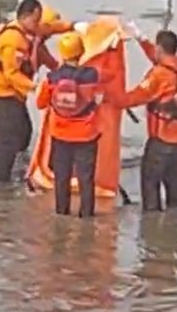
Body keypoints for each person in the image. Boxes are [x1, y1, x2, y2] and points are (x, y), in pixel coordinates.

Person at [0, 0, 83, 182]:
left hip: (15, 96)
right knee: (5, 140)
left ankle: (18, 165)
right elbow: (11, 74)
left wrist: (75, 26)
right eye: (36, 21)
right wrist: (36, 87)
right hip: (0, 96)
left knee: (24, 131)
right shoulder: (13, 41)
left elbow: (53, 29)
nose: (41, 28)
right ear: (26, 17)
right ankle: (0, 182)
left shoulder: (33, 34)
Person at [110, 26, 177, 211]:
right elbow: (159, 58)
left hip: (162, 140)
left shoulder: (158, 75)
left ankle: (151, 230)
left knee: (150, 182)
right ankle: (175, 227)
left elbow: (133, 98)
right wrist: (140, 38)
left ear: (160, 49)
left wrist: (106, 98)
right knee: (175, 185)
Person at [35, 32, 103, 217]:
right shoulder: (92, 76)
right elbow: (100, 98)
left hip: (60, 135)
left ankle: (61, 213)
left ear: (62, 53)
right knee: (85, 179)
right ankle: (87, 217)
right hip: (87, 135)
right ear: (81, 52)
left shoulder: (52, 78)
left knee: (62, 178)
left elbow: (40, 103)